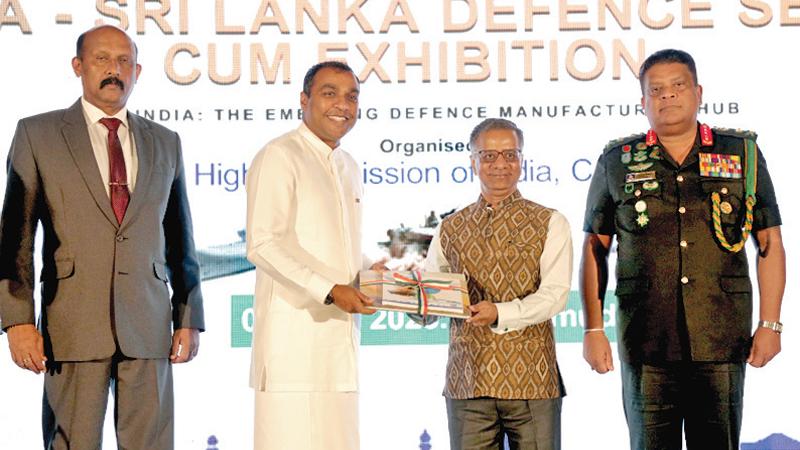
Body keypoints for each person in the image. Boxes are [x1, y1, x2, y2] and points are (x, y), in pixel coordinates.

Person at [0, 25, 204, 449]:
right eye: (102, 60)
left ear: (138, 71)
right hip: (71, 325)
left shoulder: (166, 142)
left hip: (148, 327)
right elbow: (14, 237)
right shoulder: (37, 134)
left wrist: (187, 316)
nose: (115, 70)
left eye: (124, 61)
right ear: (78, 66)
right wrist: (17, 320)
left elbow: (180, 238)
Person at [580, 49, 785, 450]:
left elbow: (770, 243)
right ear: (643, 102)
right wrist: (592, 329)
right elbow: (594, 248)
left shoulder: (740, 153)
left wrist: (770, 324)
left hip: (721, 336)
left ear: (698, 92)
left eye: (678, 86)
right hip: (646, 340)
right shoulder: (617, 161)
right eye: (656, 90)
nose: (667, 96)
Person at [246, 61, 379, 450]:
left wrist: (375, 272)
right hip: (293, 349)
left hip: (339, 350)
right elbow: (263, 243)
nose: (343, 104)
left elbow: (341, 245)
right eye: (329, 93)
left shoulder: (348, 164)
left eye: (352, 96)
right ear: (304, 100)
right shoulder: (279, 155)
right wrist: (330, 289)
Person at [424, 118, 573, 450]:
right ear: (473, 162)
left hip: (532, 380)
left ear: (522, 160)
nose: (500, 164)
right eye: (488, 156)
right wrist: (405, 297)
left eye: (510, 154)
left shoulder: (550, 221)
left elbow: (554, 296)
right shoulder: (451, 227)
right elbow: (432, 296)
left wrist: (499, 313)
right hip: (467, 381)